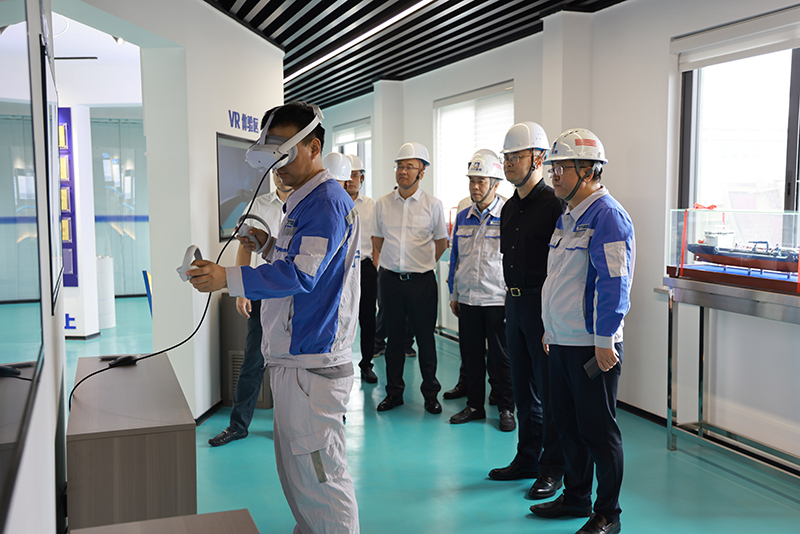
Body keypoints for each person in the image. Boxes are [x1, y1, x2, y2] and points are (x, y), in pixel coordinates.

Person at [187, 102, 360, 534]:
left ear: (314, 147)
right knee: (300, 476)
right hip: (295, 359)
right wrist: (266, 246)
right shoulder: (303, 202)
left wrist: (228, 278)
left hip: (312, 364)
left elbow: (301, 276)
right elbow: (301, 263)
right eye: (271, 154)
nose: (277, 165)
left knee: (321, 477)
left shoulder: (324, 203)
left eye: (285, 153)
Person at [530, 129, 634, 534]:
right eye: (553, 167)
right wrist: (549, 328)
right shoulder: (568, 217)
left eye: (562, 168)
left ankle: (609, 514)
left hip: (593, 346)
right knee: (567, 425)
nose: (554, 175)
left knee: (598, 431)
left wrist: (606, 339)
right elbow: (559, 278)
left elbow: (615, 283)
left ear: (589, 171)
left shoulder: (608, 217)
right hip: (562, 339)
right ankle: (576, 498)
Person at [489, 122, 566, 502]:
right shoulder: (508, 208)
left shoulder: (555, 206)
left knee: (549, 392)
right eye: (506, 158)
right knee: (522, 388)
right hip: (514, 303)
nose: (508, 164)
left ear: (538, 159)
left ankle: (553, 468)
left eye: (515, 157)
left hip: (542, 305)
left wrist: (550, 316)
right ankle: (527, 457)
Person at [208, 171, 293, 447]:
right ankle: (238, 426)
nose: (281, 176)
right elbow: (245, 248)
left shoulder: (307, 203)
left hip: (295, 295)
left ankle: (292, 425)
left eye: (286, 169)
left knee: (295, 364)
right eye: (276, 171)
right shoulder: (257, 204)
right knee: (253, 361)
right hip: (262, 292)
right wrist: (241, 290)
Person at [372, 142, 448, 414]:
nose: (403, 171)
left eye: (409, 167)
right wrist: (393, 264)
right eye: (400, 166)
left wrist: (421, 264)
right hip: (390, 281)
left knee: (426, 340)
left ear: (421, 172)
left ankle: (431, 394)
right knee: (393, 340)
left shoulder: (433, 205)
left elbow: (441, 242)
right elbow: (377, 240)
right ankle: (394, 393)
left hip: (422, 283)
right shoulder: (382, 203)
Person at [447, 150, 515, 431]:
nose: (475, 187)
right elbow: (455, 257)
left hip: (497, 298)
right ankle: (474, 406)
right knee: (471, 356)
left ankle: (507, 408)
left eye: (481, 181)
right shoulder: (464, 216)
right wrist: (454, 294)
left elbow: (514, 258)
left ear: (495, 184)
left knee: (501, 359)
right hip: (468, 299)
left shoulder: (508, 214)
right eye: (472, 181)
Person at [340, 154, 381, 384]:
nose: (350, 180)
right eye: (346, 176)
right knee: (339, 317)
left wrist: (374, 264)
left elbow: (376, 238)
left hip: (365, 267)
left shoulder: (371, 206)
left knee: (367, 318)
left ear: (362, 178)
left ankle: (366, 364)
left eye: (354, 175)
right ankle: (339, 363)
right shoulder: (333, 202)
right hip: (339, 269)